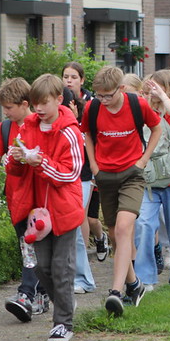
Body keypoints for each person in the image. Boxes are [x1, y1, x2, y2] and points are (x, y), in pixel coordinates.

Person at [6, 74, 85, 341]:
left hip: (63, 210)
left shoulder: (70, 131)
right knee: (40, 266)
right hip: (36, 212)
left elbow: (70, 173)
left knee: (62, 267)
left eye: (44, 103)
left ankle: (63, 322)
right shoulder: (27, 127)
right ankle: (65, 305)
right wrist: (17, 159)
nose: (38, 109)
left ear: (59, 100)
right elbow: (13, 167)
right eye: (36, 104)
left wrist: (40, 162)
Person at [82, 66, 162, 317]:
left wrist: (144, 159)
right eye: (99, 96)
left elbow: (157, 128)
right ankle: (134, 284)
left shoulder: (137, 104)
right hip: (105, 176)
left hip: (131, 175)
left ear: (122, 89)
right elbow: (87, 133)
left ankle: (115, 292)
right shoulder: (93, 108)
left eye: (108, 95)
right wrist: (94, 165)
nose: (103, 101)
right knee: (115, 234)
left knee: (125, 228)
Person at [0, 77, 51, 322]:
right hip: (16, 198)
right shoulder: (5, 129)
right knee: (27, 246)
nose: (5, 112)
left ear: (25, 103)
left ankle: (25, 294)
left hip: (39, 199)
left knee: (34, 245)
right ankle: (40, 291)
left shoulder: (40, 124)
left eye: (8, 107)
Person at [136, 70, 170, 290]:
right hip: (150, 181)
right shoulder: (146, 109)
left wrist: (162, 96)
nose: (153, 91)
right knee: (143, 226)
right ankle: (145, 279)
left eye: (157, 87)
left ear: (168, 88)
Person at [62, 62, 110, 264]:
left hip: (90, 165)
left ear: (82, 80)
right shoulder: (59, 101)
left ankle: (99, 237)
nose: (69, 81)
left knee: (89, 218)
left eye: (73, 77)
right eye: (66, 76)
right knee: (80, 216)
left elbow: (94, 135)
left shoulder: (93, 102)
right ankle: (80, 261)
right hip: (71, 166)